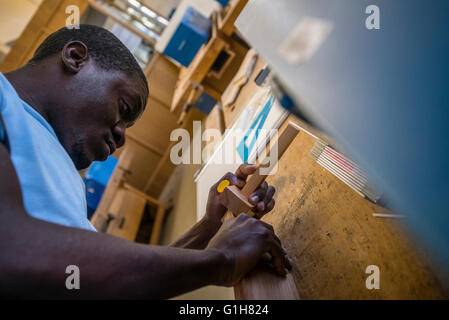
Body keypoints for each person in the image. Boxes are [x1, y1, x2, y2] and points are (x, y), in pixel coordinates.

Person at [0, 25, 291, 299]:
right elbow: (15, 254)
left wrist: (209, 225)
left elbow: (110, 280)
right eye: (123, 108)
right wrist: (221, 260)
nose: (121, 137)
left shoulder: (52, 160)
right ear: (75, 58)